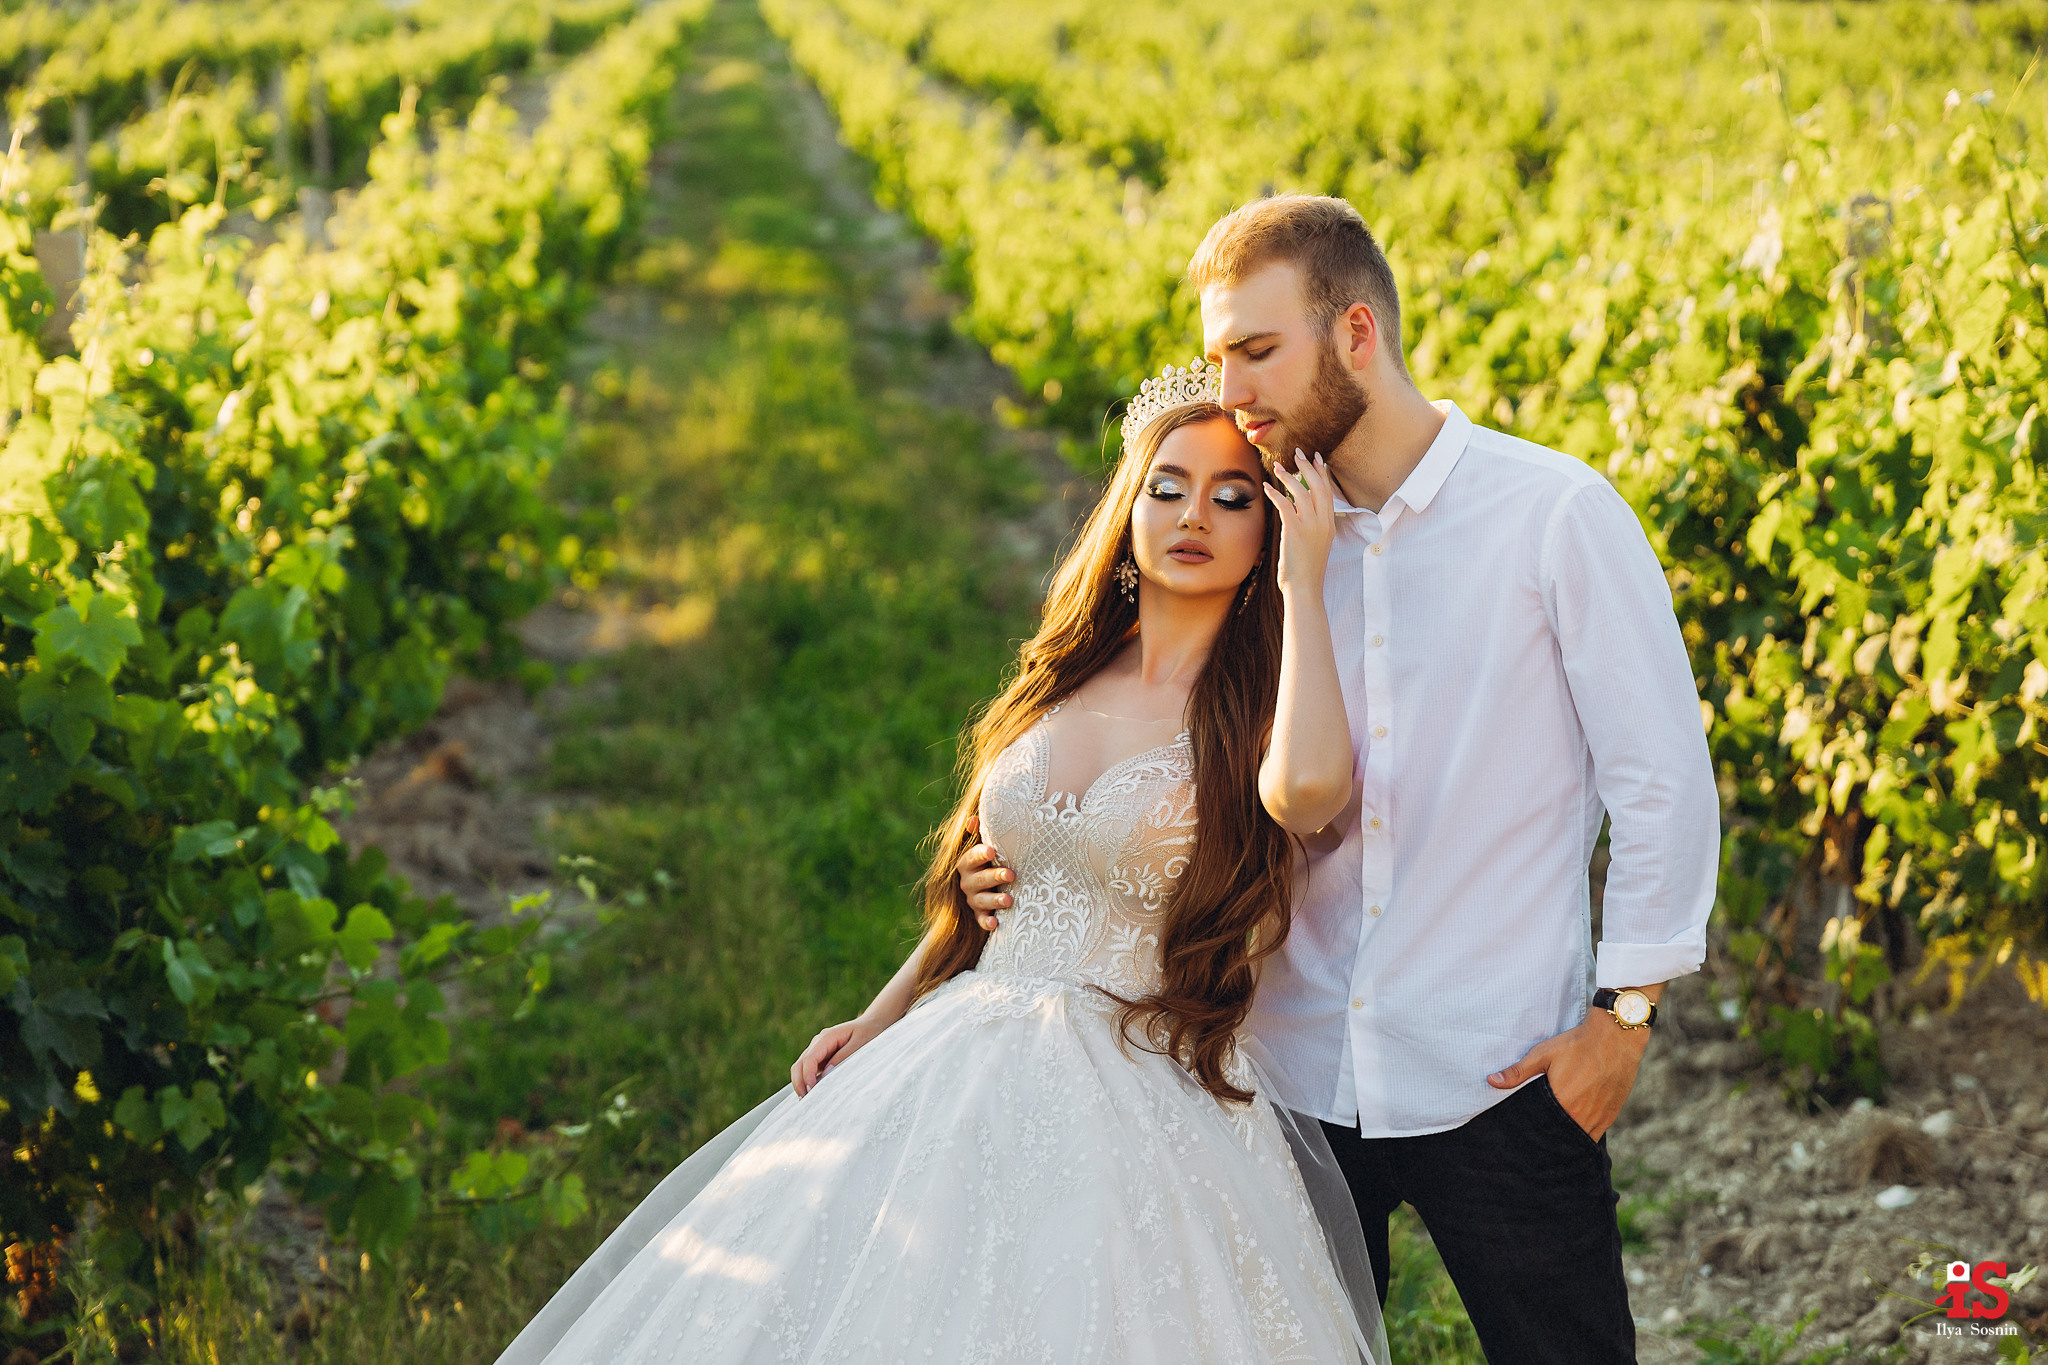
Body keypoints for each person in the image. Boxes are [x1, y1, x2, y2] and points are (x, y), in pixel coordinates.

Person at [959, 194, 1723, 1364]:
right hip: (1287, 1067)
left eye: (1258, 351)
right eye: (1220, 357)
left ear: (1356, 334)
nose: (1235, 389)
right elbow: (1159, 733)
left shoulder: (1552, 517)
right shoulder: (1262, 533)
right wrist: (1025, 866)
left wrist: (1623, 1018)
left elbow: (1661, 777)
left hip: (1498, 1068)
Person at [493, 369, 1389, 1364]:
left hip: (1142, 1075)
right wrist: (881, 1014)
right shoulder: (1064, 674)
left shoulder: (1260, 710)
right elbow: (999, 893)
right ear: (1126, 508)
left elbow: (1309, 792)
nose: (1193, 515)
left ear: (1267, 527)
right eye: (1166, 486)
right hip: (967, 1042)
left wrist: (1301, 584)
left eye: (1232, 497)